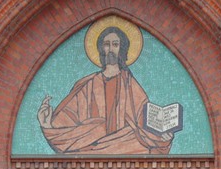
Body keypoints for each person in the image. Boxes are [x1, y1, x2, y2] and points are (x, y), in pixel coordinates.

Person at [37, 19, 174, 155]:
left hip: (123, 143)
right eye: (106, 44)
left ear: (122, 48)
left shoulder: (129, 83)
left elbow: (142, 119)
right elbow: (68, 117)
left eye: (115, 44)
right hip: (91, 144)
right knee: (96, 129)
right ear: (101, 48)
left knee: (134, 138)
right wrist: (47, 125)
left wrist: (162, 136)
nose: (110, 49)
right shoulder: (88, 84)